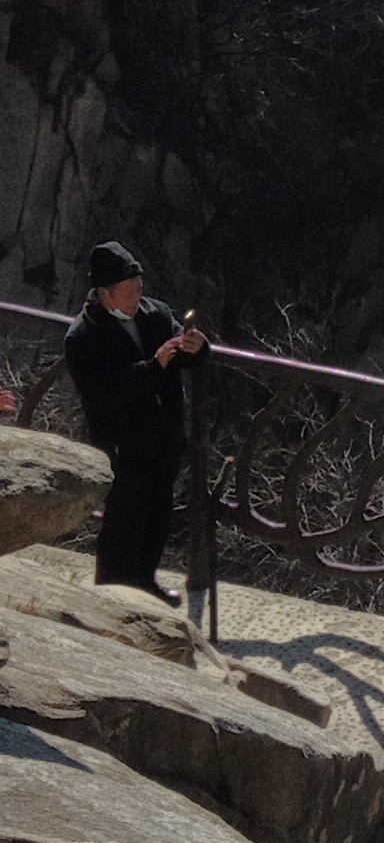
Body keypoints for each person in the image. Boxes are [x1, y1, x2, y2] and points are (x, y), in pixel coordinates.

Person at [60, 242, 207, 598]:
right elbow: (102, 395)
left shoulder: (155, 314)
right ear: (106, 295)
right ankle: (112, 598)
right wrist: (152, 367)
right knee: (122, 530)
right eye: (129, 292)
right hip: (124, 448)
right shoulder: (83, 337)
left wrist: (197, 348)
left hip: (164, 441)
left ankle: (146, 585)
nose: (137, 297)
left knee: (157, 522)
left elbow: (181, 358)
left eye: (140, 289)